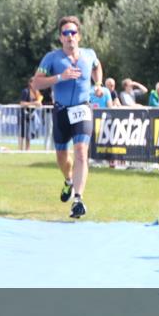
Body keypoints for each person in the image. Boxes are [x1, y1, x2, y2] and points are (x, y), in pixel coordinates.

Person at [34, 16, 103, 219]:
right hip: (61, 111)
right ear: (60, 38)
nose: (70, 37)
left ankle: (78, 199)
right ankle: (69, 180)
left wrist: (97, 85)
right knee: (62, 158)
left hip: (82, 108)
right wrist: (59, 77)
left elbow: (97, 67)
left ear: (79, 36)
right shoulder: (52, 58)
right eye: (65, 33)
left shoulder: (89, 55)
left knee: (81, 152)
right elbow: (36, 84)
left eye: (73, 33)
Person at [19, 76, 44, 151]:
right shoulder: (25, 91)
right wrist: (34, 103)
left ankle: (28, 149)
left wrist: (38, 103)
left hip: (32, 115)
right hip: (24, 114)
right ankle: (20, 150)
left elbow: (40, 104)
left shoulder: (37, 93)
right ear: (30, 83)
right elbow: (22, 103)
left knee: (29, 134)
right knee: (22, 133)